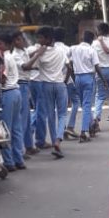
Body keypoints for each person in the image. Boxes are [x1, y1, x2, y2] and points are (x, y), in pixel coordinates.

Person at [23, 26, 68, 158]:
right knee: (62, 115)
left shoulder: (41, 54)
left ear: (48, 38)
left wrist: (38, 53)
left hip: (45, 85)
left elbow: (27, 66)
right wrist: (65, 81)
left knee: (50, 116)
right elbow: (69, 66)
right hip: (60, 84)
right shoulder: (61, 51)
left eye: (41, 37)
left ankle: (55, 140)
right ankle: (58, 140)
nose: (39, 40)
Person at [0, 30, 26, 171]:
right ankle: (18, 159)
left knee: (5, 128)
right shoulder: (11, 57)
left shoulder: (3, 58)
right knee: (16, 128)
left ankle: (8, 161)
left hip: (7, 92)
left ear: (7, 45)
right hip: (16, 91)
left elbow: (2, 79)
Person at [68, 30, 101, 142]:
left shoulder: (73, 48)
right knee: (87, 105)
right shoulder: (91, 50)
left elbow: (68, 62)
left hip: (77, 78)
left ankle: (92, 125)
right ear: (91, 41)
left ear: (82, 38)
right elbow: (97, 67)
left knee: (83, 104)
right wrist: (103, 80)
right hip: (88, 77)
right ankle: (84, 131)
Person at [11, 31, 35, 156]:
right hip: (21, 84)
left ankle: (29, 145)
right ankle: (20, 149)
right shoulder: (15, 55)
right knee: (22, 118)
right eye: (19, 40)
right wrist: (38, 54)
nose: (22, 42)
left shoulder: (24, 51)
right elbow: (25, 66)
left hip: (26, 83)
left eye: (22, 39)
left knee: (27, 117)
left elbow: (30, 55)